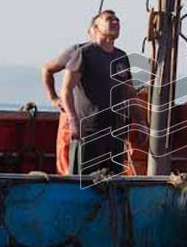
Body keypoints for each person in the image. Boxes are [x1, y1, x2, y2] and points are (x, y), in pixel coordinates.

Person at [61, 10, 139, 175]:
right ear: (95, 28)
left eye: (117, 20)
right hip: (88, 131)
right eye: (109, 19)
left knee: (113, 181)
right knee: (83, 181)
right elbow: (66, 90)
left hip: (115, 131)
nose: (115, 22)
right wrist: (73, 120)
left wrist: (140, 121)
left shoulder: (121, 57)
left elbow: (129, 91)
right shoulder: (84, 54)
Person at [42, 23, 99, 175]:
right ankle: (66, 185)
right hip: (72, 114)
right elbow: (47, 69)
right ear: (91, 31)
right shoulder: (77, 52)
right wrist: (53, 98)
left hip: (96, 117)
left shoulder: (113, 56)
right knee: (67, 156)